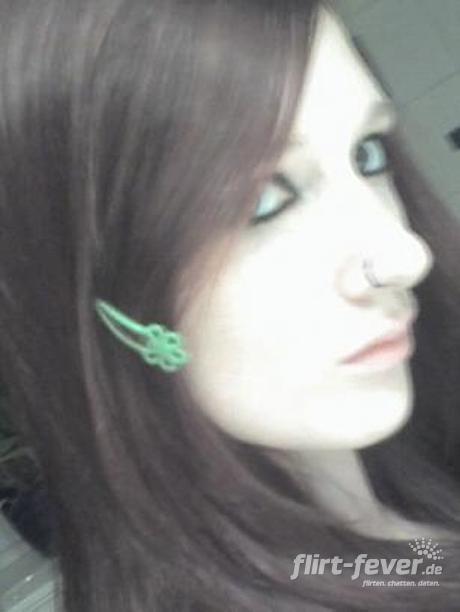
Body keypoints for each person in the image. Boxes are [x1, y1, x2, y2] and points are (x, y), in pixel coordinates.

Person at [1, 0, 460, 609]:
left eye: (367, 154)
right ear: (93, 305)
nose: (404, 254)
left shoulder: (391, 533)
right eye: (265, 200)